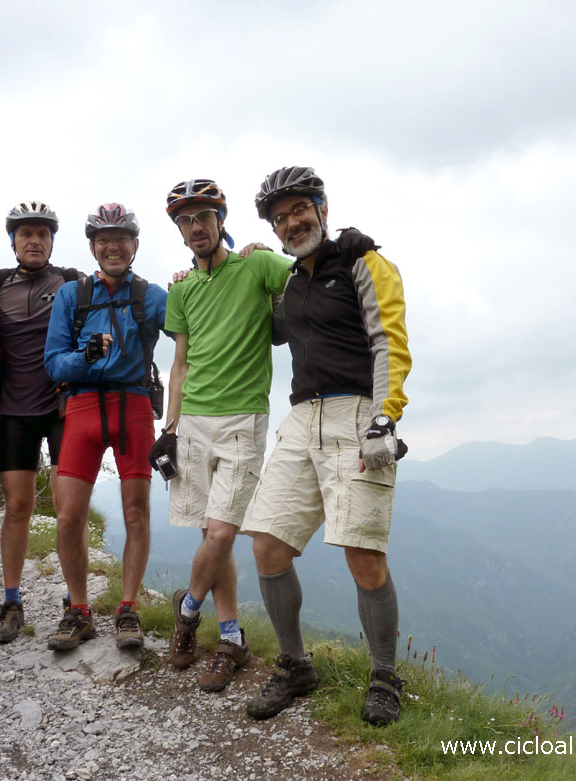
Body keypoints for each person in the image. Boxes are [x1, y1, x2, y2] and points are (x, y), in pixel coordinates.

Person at [241, 166, 411, 726]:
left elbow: (388, 340)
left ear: (323, 208)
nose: (292, 222)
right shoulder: (292, 282)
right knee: (267, 542)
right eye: (280, 216)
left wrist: (386, 419)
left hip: (358, 413)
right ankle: (294, 666)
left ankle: (385, 675)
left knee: (362, 552)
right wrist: (238, 268)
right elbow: (269, 328)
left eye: (300, 209)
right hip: (301, 416)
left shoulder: (364, 261)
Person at [150, 179, 292, 693]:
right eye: (185, 221)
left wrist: (272, 251)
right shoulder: (183, 288)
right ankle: (230, 636)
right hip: (192, 424)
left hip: (242, 419)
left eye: (202, 217)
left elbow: (307, 273)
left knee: (224, 532)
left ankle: (187, 612)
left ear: (221, 220)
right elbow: (180, 361)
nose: (194, 228)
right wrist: (168, 426)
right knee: (212, 536)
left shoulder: (256, 265)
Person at [44, 203, 168, 651]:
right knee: (68, 516)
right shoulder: (71, 296)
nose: (112, 246)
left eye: (121, 239)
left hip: (133, 405)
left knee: (137, 512)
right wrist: (87, 356)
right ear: (93, 247)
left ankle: (128, 608)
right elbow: (53, 361)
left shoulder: (152, 296)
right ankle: (79, 610)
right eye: (103, 240)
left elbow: (195, 326)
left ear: (135, 245)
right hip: (81, 408)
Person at [0, 201, 81, 644]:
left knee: (67, 512)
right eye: (26, 233)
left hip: (62, 409)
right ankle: (11, 600)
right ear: (13, 241)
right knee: (18, 507)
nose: (35, 240)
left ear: (52, 241)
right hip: (16, 410)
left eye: (43, 233)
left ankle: (73, 602)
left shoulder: (71, 281)